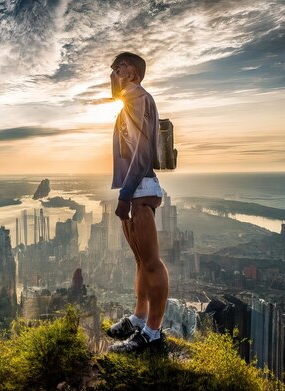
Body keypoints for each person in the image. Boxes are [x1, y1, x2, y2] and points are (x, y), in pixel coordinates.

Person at [107, 52, 169, 354]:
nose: (116, 68)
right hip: (135, 190)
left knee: (152, 263)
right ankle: (139, 316)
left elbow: (142, 152)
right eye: (115, 65)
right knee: (141, 262)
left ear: (136, 72)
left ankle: (153, 332)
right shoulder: (128, 100)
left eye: (123, 64)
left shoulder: (136, 97)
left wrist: (124, 195)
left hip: (141, 189)